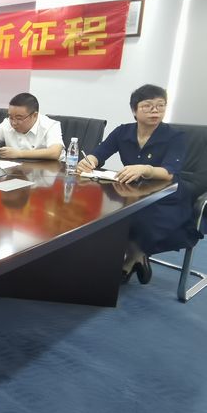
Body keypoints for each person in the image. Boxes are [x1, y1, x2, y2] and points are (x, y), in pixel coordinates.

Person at [78, 84, 192, 284]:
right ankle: (133, 256)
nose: (155, 111)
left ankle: (134, 256)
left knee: (135, 218)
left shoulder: (175, 136)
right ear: (134, 110)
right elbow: (100, 152)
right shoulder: (123, 132)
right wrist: (90, 161)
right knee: (102, 213)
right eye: (147, 106)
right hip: (131, 190)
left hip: (166, 195)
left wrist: (145, 169)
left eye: (160, 105)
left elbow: (168, 173)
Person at [0, 93, 63, 160]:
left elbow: (54, 152)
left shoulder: (50, 125)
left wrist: (19, 153)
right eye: (10, 117)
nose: (13, 123)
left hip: (49, 172)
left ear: (34, 115)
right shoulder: (7, 123)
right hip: (17, 169)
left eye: (19, 118)